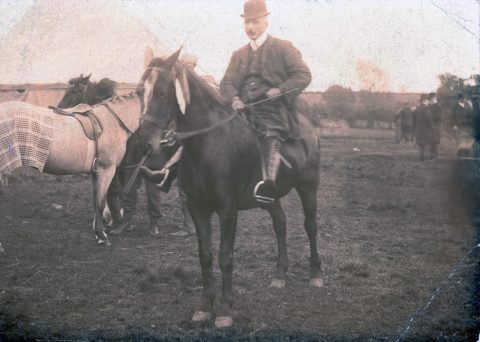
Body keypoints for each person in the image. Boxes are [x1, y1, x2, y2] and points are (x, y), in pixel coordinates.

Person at [220, 0, 312, 203]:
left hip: (274, 109)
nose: (250, 27)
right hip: (243, 109)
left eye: (255, 22)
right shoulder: (239, 55)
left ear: (266, 22)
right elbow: (227, 82)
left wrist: (280, 90)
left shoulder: (283, 48)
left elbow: (303, 75)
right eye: (247, 23)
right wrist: (234, 98)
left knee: (269, 131)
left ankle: (268, 185)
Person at [413, 94, 435, 161]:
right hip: (425, 129)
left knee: (421, 145)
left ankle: (421, 158)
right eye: (428, 99)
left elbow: (414, 118)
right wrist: (432, 126)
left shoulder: (417, 108)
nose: (428, 101)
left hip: (419, 128)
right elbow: (428, 118)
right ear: (425, 100)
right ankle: (426, 158)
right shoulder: (426, 108)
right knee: (426, 144)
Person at [428, 92, 442, 160]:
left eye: (431, 99)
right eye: (430, 99)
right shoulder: (431, 106)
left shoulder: (438, 106)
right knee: (432, 141)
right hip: (432, 126)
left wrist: (430, 116)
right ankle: (432, 156)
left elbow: (439, 117)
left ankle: (435, 156)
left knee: (435, 141)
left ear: (434, 98)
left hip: (436, 126)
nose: (430, 100)